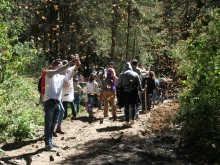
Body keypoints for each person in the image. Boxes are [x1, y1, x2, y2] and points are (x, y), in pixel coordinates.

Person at [43, 56, 80, 151]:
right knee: (48, 123)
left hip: (57, 102)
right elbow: (60, 70)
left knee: (53, 123)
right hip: (49, 102)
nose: (62, 67)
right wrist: (70, 62)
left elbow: (69, 76)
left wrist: (76, 67)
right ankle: (47, 144)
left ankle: (50, 142)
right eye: (59, 66)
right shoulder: (49, 73)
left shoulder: (60, 77)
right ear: (54, 66)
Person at [117, 62, 141, 126]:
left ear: (125, 67)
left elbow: (118, 84)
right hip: (134, 92)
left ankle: (126, 121)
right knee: (133, 106)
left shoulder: (122, 74)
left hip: (125, 93)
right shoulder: (135, 74)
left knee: (126, 107)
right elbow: (139, 84)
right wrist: (140, 90)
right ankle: (132, 120)